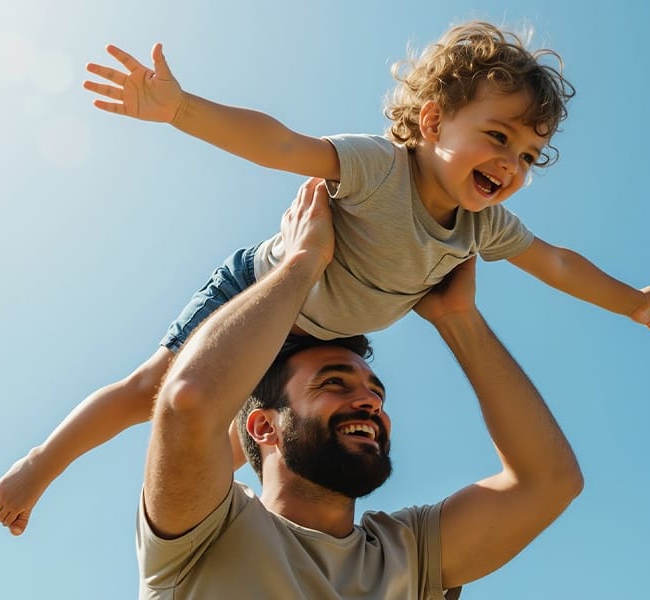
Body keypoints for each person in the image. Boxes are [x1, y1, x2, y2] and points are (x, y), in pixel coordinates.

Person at [0, 22, 650, 535]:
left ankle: (222, 527)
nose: (511, 164)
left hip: (328, 331)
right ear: (433, 119)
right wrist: (182, 110)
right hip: (261, 291)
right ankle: (41, 463)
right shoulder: (379, 166)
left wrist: (629, 302)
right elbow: (283, 143)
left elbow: (557, 261)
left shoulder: (484, 228)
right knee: (157, 392)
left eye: (529, 156)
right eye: (498, 137)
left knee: (259, 440)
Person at [137, 178, 583, 598]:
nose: (370, 402)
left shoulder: (408, 552)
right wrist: (302, 265)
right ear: (263, 426)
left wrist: (457, 319)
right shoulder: (206, 529)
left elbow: (550, 481)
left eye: (377, 393)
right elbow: (189, 401)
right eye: (333, 382)